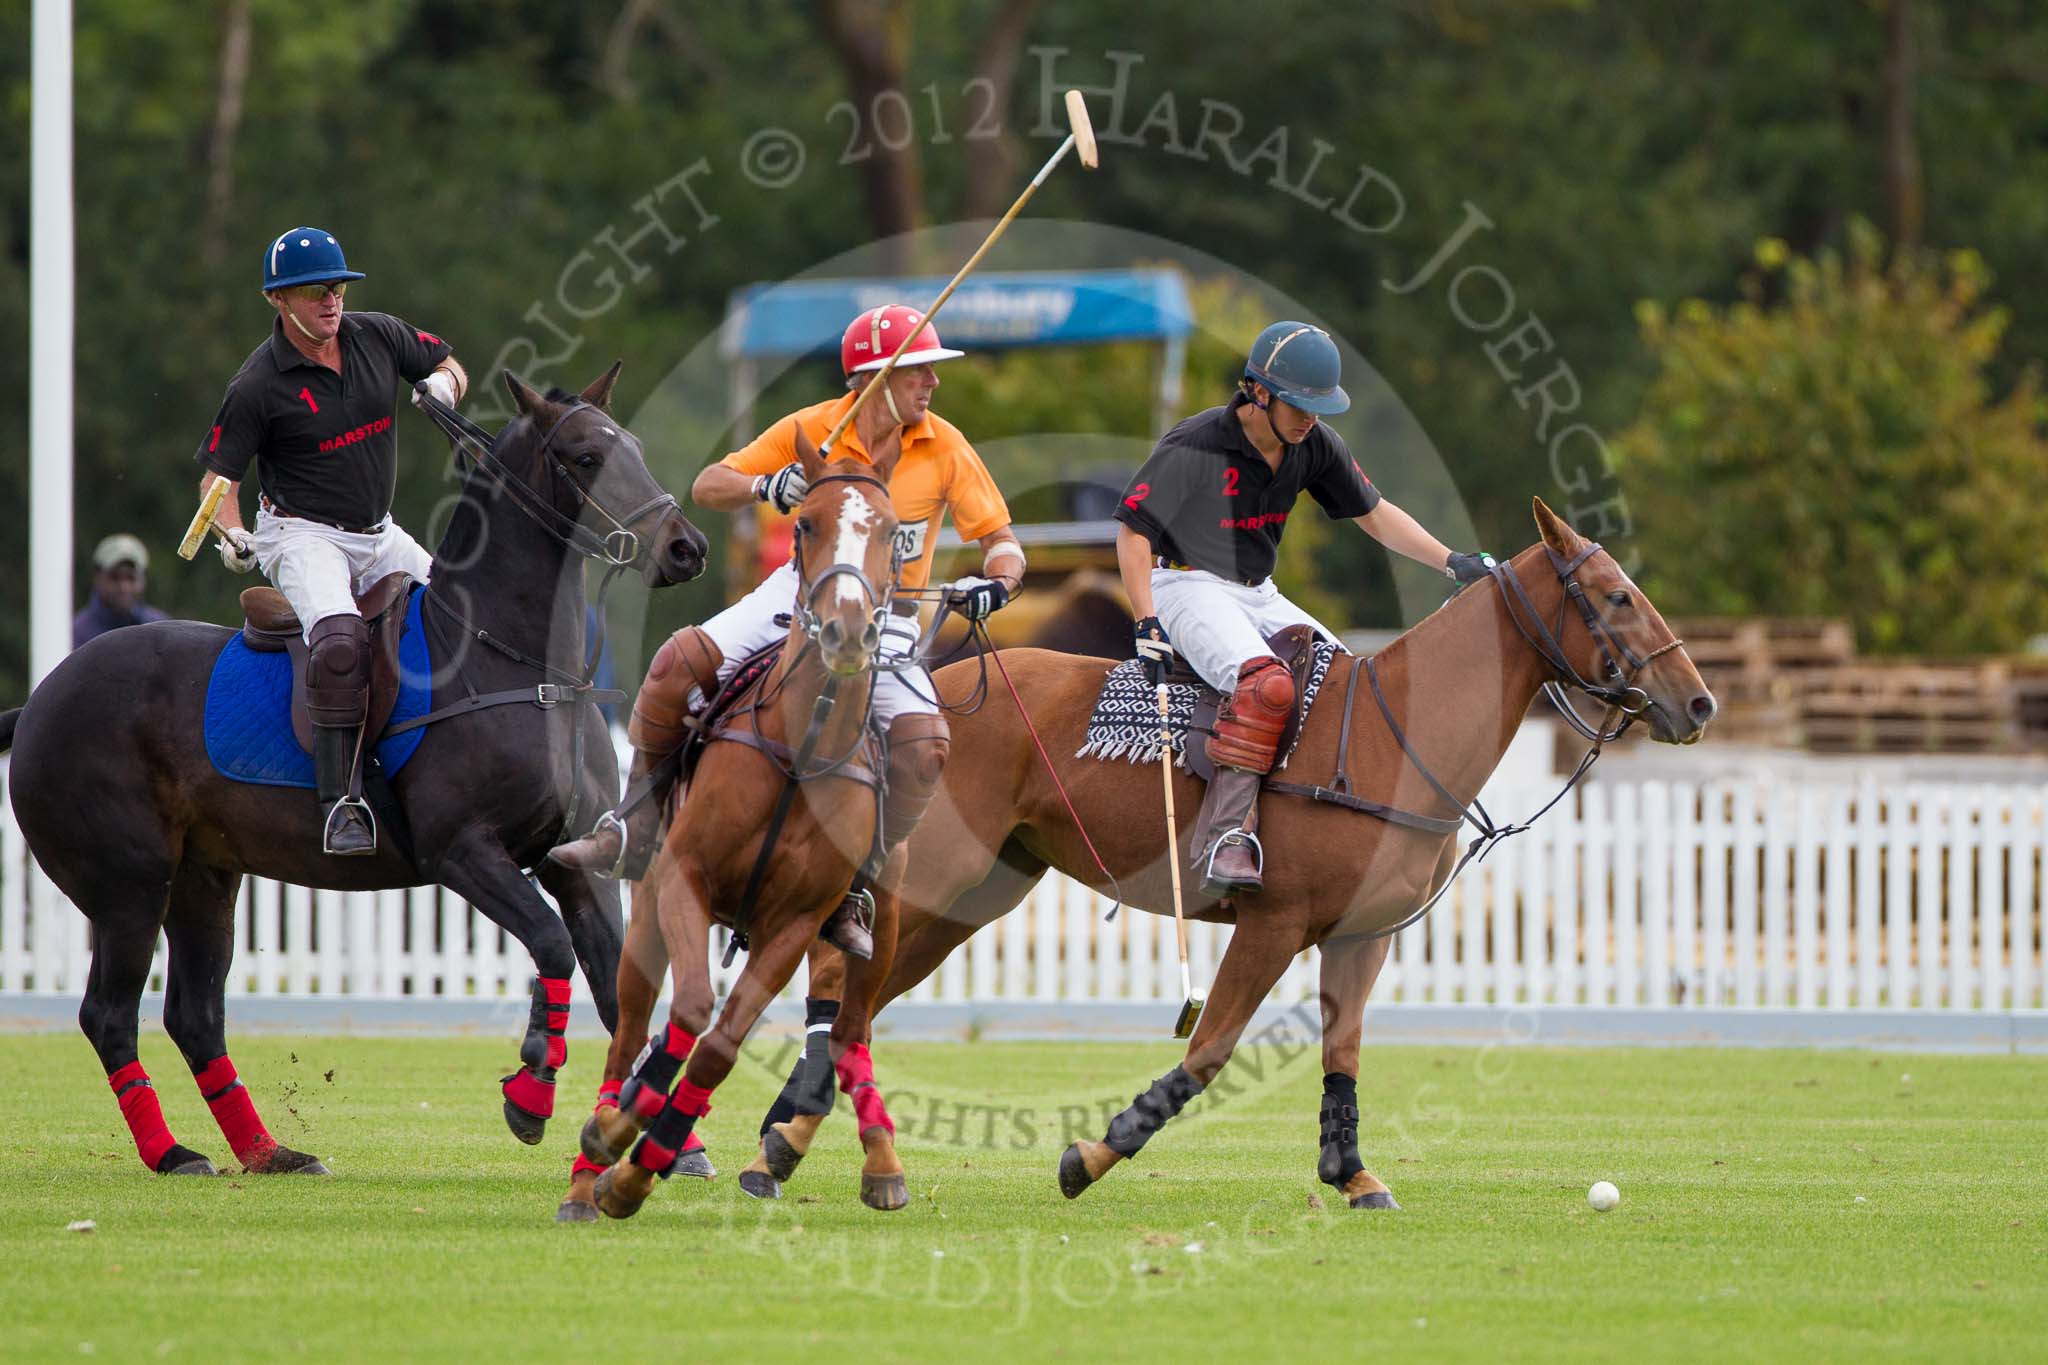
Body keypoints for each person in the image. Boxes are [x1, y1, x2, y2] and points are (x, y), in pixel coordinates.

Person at [552, 305, 1024, 959]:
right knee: (672, 663)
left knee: (925, 746)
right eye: (919, 370)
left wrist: (996, 582)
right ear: (874, 377)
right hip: (797, 593)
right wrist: (767, 483)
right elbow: (709, 484)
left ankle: (858, 879)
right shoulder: (813, 428)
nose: (932, 384)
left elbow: (1002, 542)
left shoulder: (944, 444)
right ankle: (633, 823)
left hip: (887, 616)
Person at [1113, 321, 1496, 898]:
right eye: (1299, 404)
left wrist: (1452, 561)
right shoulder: (1196, 443)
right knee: (1265, 685)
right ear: (1258, 392)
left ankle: (1325, 825)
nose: (1311, 418)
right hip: (1186, 585)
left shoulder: (1313, 445)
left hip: (1258, 591)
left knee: (1346, 685)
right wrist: (1145, 622)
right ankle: (1227, 835)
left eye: (1320, 407)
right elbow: (1132, 534)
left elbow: (1374, 512)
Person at [192, 226, 467, 856]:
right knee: (340, 640)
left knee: (458, 611)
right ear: (278, 301)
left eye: (337, 287)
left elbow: (447, 359)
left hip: (379, 532)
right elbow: (218, 477)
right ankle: (342, 803)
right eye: (316, 291)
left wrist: (445, 387)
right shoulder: (258, 384)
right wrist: (231, 533)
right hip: (301, 535)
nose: (332, 301)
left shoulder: (378, 335)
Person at [72, 533, 168, 648]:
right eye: (114, 577)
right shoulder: (75, 634)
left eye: (131, 578)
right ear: (96, 577)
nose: (124, 587)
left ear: (143, 580)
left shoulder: (161, 628)